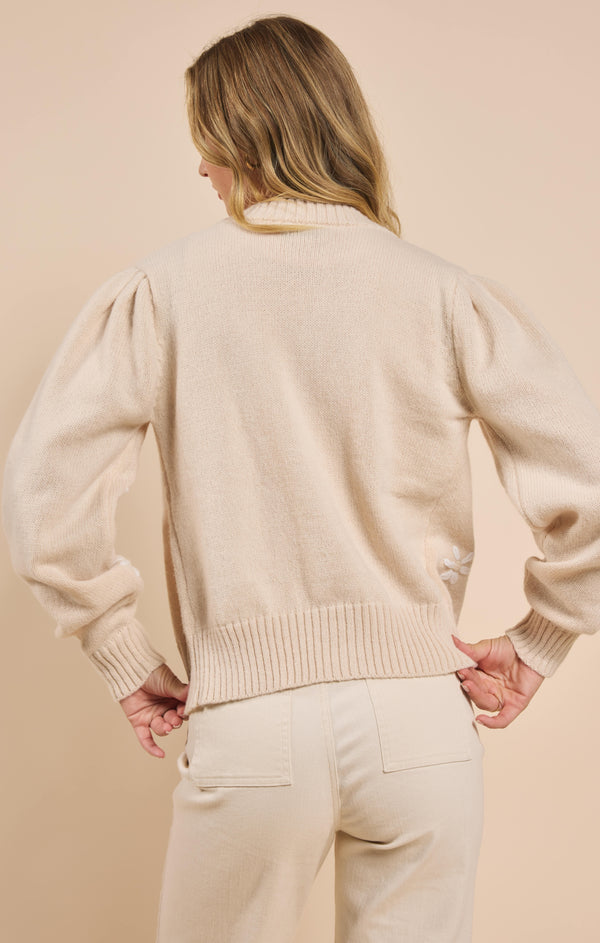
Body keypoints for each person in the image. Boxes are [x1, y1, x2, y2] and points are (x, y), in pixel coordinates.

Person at [2, 12, 600, 943]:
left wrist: (121, 652)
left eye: (205, 140)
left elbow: (43, 497)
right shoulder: (444, 294)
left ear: (245, 135)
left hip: (251, 727)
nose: (199, 167)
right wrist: (541, 639)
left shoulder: (164, 292)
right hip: (421, 726)